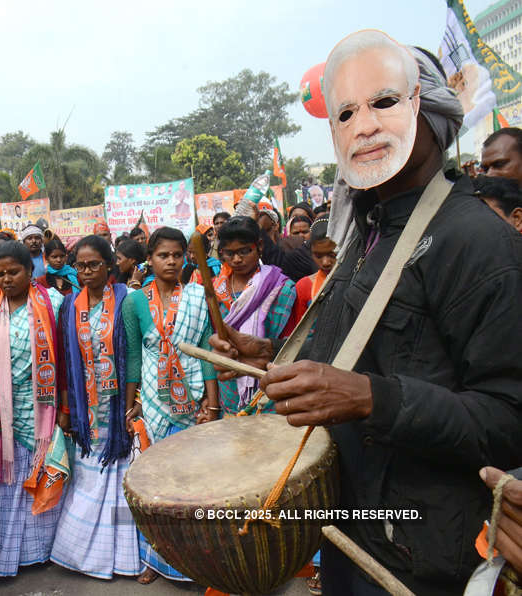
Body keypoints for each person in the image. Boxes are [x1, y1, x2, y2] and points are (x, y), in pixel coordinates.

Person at [211, 32, 522, 595]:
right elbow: (355, 354)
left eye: (384, 102)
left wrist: (371, 398)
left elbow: (509, 420)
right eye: (346, 113)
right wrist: (271, 357)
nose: (364, 124)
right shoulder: (368, 233)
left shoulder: (476, 241)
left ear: (429, 110)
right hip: (349, 525)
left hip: (423, 556)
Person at [121, 227, 220, 584]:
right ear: (149, 258)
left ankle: (199, 562)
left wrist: (212, 404)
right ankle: (154, 559)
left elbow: (206, 352)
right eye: (163, 255)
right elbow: (134, 354)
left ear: (186, 258)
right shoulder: (133, 301)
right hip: (152, 396)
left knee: (194, 481)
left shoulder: (197, 296)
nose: (171, 261)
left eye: (178, 255)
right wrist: (133, 400)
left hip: (192, 394)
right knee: (155, 483)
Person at [50, 235, 141, 579]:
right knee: (88, 480)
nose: (86, 271)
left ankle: (123, 557)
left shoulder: (128, 300)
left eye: (94, 264)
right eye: (80, 266)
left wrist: (134, 402)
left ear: (109, 265)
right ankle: (82, 555)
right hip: (87, 408)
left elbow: (135, 354)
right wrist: (66, 407)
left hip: (119, 407)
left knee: (122, 480)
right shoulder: (69, 305)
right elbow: (63, 361)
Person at [0, 241, 65, 577]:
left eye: (14, 272)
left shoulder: (53, 302)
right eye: (0, 273)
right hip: (1, 412)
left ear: (31, 271)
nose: (7, 278)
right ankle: (7, 556)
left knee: (38, 476)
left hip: (42, 406)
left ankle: (40, 553)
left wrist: (66, 406)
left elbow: (66, 355)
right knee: (5, 486)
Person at [211, 217, 296, 414]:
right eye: (229, 254)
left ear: (258, 246)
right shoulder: (215, 290)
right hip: (228, 382)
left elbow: (290, 340)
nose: (237, 260)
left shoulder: (281, 287)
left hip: (269, 381)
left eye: (244, 251)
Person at [286, 217, 336, 334]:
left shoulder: (356, 279)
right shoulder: (304, 286)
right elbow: (300, 334)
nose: (325, 262)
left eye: (332, 255)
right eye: (318, 256)